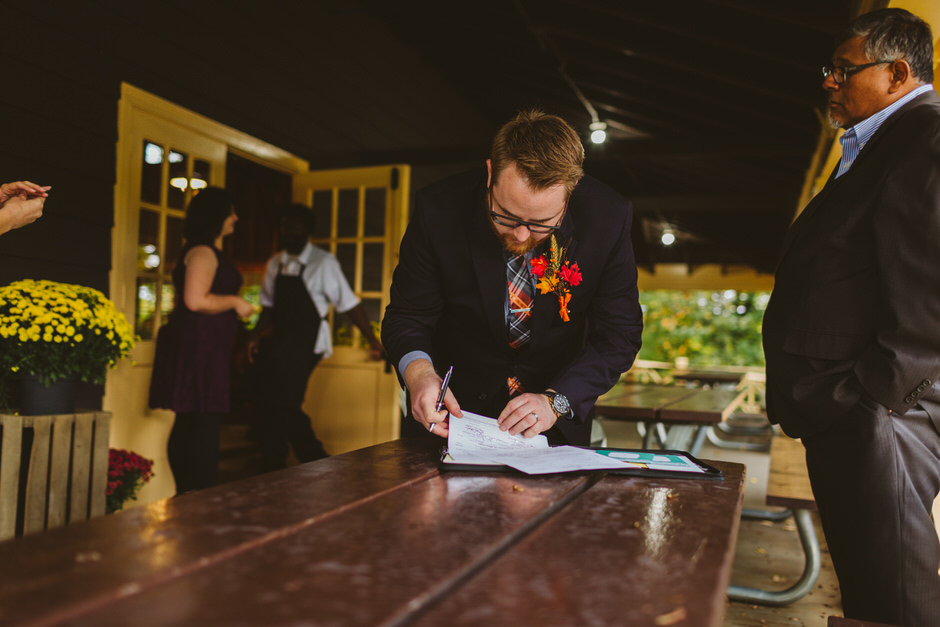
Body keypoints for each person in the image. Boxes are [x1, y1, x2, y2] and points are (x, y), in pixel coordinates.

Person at [762, 8, 940, 625]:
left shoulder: (926, 140)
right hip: (856, 413)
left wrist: (871, 400)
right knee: (869, 594)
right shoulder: (880, 144)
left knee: (897, 600)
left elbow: (930, 292)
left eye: (844, 70)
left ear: (897, 73)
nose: (829, 82)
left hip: (881, 415)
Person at [382, 109, 643, 446]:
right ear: (491, 172)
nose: (520, 235)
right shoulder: (438, 211)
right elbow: (407, 316)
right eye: (505, 216)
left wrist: (556, 401)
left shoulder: (607, 219)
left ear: (571, 191)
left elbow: (619, 335)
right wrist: (418, 374)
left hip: (553, 428)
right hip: (449, 420)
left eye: (541, 224)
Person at [247, 203, 384, 471]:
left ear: (308, 230)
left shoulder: (323, 263)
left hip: (308, 343)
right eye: (284, 226)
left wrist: (371, 338)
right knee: (278, 403)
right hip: (280, 341)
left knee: (284, 400)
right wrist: (254, 335)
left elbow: (349, 304)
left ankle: (284, 463)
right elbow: (268, 308)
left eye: (294, 227)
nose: (288, 232)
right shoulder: (275, 263)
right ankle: (311, 463)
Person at [149, 187, 254, 494]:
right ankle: (197, 496)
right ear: (217, 216)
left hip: (204, 348)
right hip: (200, 350)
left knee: (194, 420)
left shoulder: (204, 251)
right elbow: (195, 300)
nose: (236, 218)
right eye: (231, 212)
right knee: (201, 422)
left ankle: (190, 495)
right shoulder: (203, 252)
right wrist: (235, 302)